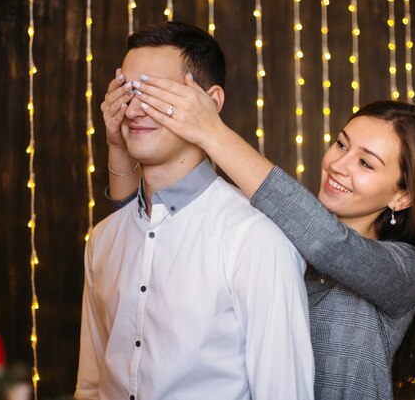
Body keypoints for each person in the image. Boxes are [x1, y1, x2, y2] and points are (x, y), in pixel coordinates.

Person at [103, 67, 415, 398]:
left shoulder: (405, 271)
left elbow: (329, 243)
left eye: (365, 163)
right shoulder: (270, 236)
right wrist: (118, 148)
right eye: (341, 144)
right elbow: (142, 240)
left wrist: (211, 132)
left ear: (402, 195)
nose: (339, 166)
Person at [75, 21, 314, 400]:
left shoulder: (255, 240)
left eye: (154, 91)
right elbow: (90, 385)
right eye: (127, 91)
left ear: (211, 102)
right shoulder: (104, 238)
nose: (135, 109)